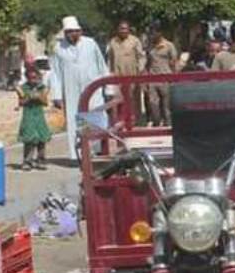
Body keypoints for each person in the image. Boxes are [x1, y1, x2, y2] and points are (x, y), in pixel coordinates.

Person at [48, 16, 110, 160]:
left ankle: (98, 151)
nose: (74, 34)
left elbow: (102, 66)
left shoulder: (90, 44)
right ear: (65, 33)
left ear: (80, 31)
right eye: (70, 31)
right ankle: (80, 155)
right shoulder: (58, 49)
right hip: (71, 92)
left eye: (76, 31)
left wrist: (108, 88)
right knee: (76, 120)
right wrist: (56, 95)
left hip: (93, 89)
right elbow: (55, 74)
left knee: (95, 117)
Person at [106, 20, 146, 124]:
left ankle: (135, 120)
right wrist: (109, 72)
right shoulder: (113, 42)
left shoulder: (135, 41)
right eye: (121, 29)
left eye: (125, 29)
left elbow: (141, 57)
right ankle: (120, 121)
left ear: (129, 30)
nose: (123, 31)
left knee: (132, 99)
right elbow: (110, 59)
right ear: (118, 30)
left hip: (132, 75)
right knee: (118, 99)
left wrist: (140, 69)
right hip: (117, 76)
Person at [15, 67, 51, 171]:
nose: (33, 80)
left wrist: (39, 97)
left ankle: (41, 160)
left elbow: (45, 103)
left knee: (41, 138)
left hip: (39, 115)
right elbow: (21, 103)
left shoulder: (42, 88)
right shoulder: (23, 88)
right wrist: (29, 97)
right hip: (28, 115)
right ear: (27, 77)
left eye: (35, 77)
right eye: (30, 78)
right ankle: (27, 161)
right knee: (28, 138)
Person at [145, 22, 178, 127]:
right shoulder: (149, 46)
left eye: (154, 32)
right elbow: (148, 62)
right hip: (153, 79)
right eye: (150, 32)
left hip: (166, 78)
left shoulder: (169, 46)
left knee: (166, 107)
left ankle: (169, 128)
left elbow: (174, 63)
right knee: (153, 104)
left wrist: (174, 78)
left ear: (159, 33)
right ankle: (156, 125)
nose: (152, 35)